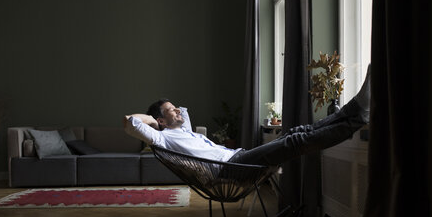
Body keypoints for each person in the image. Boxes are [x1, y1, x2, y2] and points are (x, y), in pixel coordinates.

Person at [124, 67, 371, 167]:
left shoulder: (183, 130)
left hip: (236, 157)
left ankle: (355, 109)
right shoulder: (163, 139)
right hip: (230, 168)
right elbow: (129, 121)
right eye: (171, 110)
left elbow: (185, 112)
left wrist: (171, 114)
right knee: (293, 141)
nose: (178, 110)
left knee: (297, 133)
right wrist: (155, 122)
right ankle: (357, 118)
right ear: (162, 121)